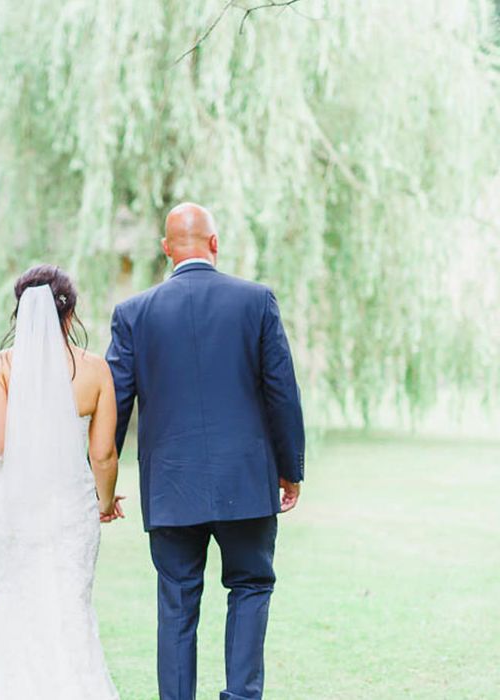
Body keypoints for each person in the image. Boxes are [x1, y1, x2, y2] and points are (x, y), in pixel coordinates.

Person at [106, 202, 305, 700]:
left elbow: (117, 404)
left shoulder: (133, 314)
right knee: (251, 586)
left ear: (166, 249)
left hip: (171, 487)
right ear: (215, 243)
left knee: (176, 601)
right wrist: (290, 470)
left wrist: (101, 486)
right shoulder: (256, 301)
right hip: (245, 481)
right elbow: (281, 392)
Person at [0, 264, 123, 699]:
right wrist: (102, 503)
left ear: (19, 311)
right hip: (70, 510)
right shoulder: (95, 370)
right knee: (69, 609)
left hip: (13, 508)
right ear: (70, 313)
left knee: (13, 605)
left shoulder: (1, 366)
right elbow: (103, 454)